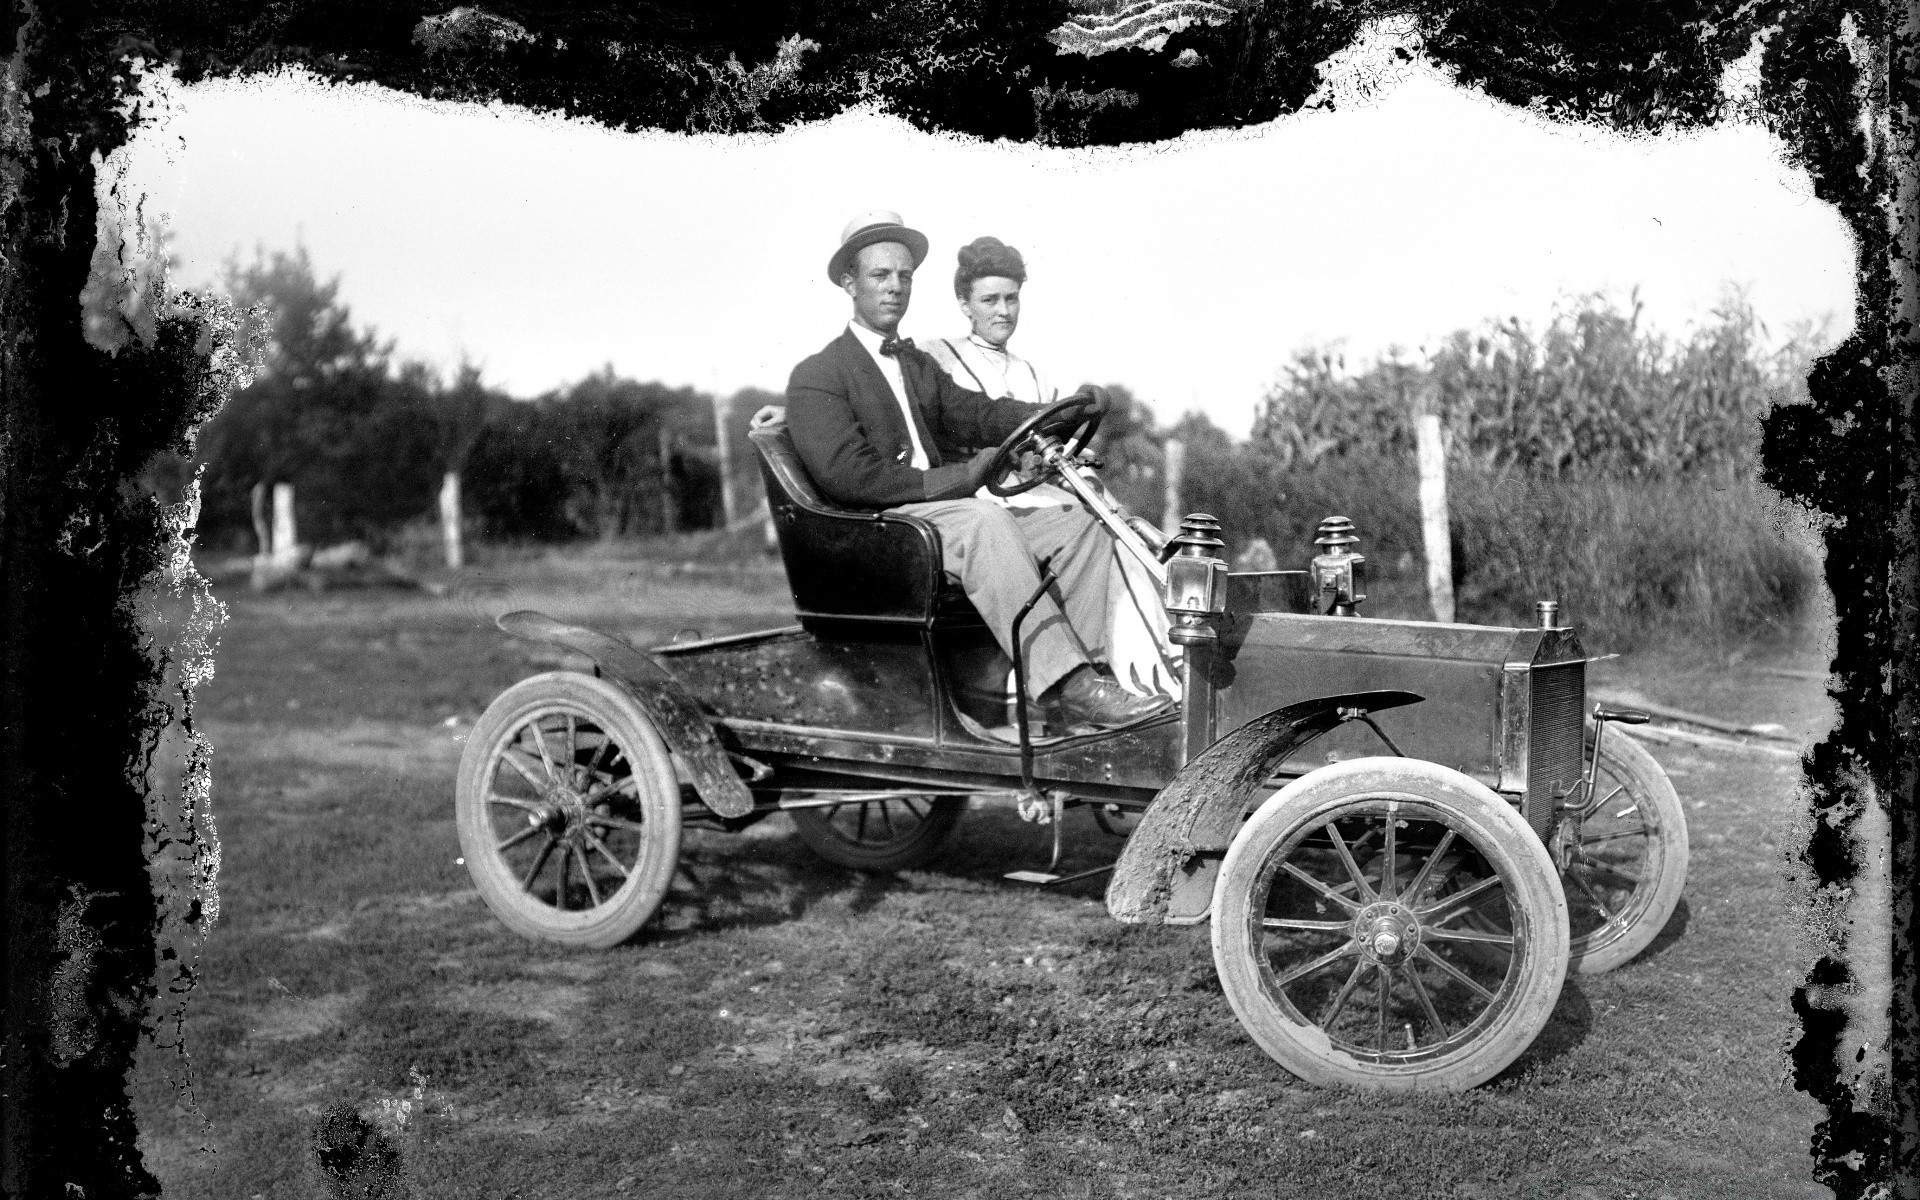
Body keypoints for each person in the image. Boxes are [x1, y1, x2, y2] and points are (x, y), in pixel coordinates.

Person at [784, 211, 1171, 733]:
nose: (896, 288)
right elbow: (848, 479)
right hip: (884, 532)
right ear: (849, 284)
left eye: (905, 276)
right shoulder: (819, 374)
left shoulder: (917, 366)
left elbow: (980, 413)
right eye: (880, 276)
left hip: (941, 521)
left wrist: (1064, 411)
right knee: (984, 519)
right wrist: (961, 479)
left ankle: (1080, 680)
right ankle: (1067, 684)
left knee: (1079, 526)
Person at [924, 237, 1180, 698]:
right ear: (964, 304)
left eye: (1011, 298)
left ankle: (1119, 669)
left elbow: (1048, 449)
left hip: (1034, 496)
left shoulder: (1033, 374)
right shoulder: (937, 357)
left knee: (1116, 526)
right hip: (973, 500)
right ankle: (1108, 679)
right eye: (989, 300)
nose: (1002, 311)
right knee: (1090, 526)